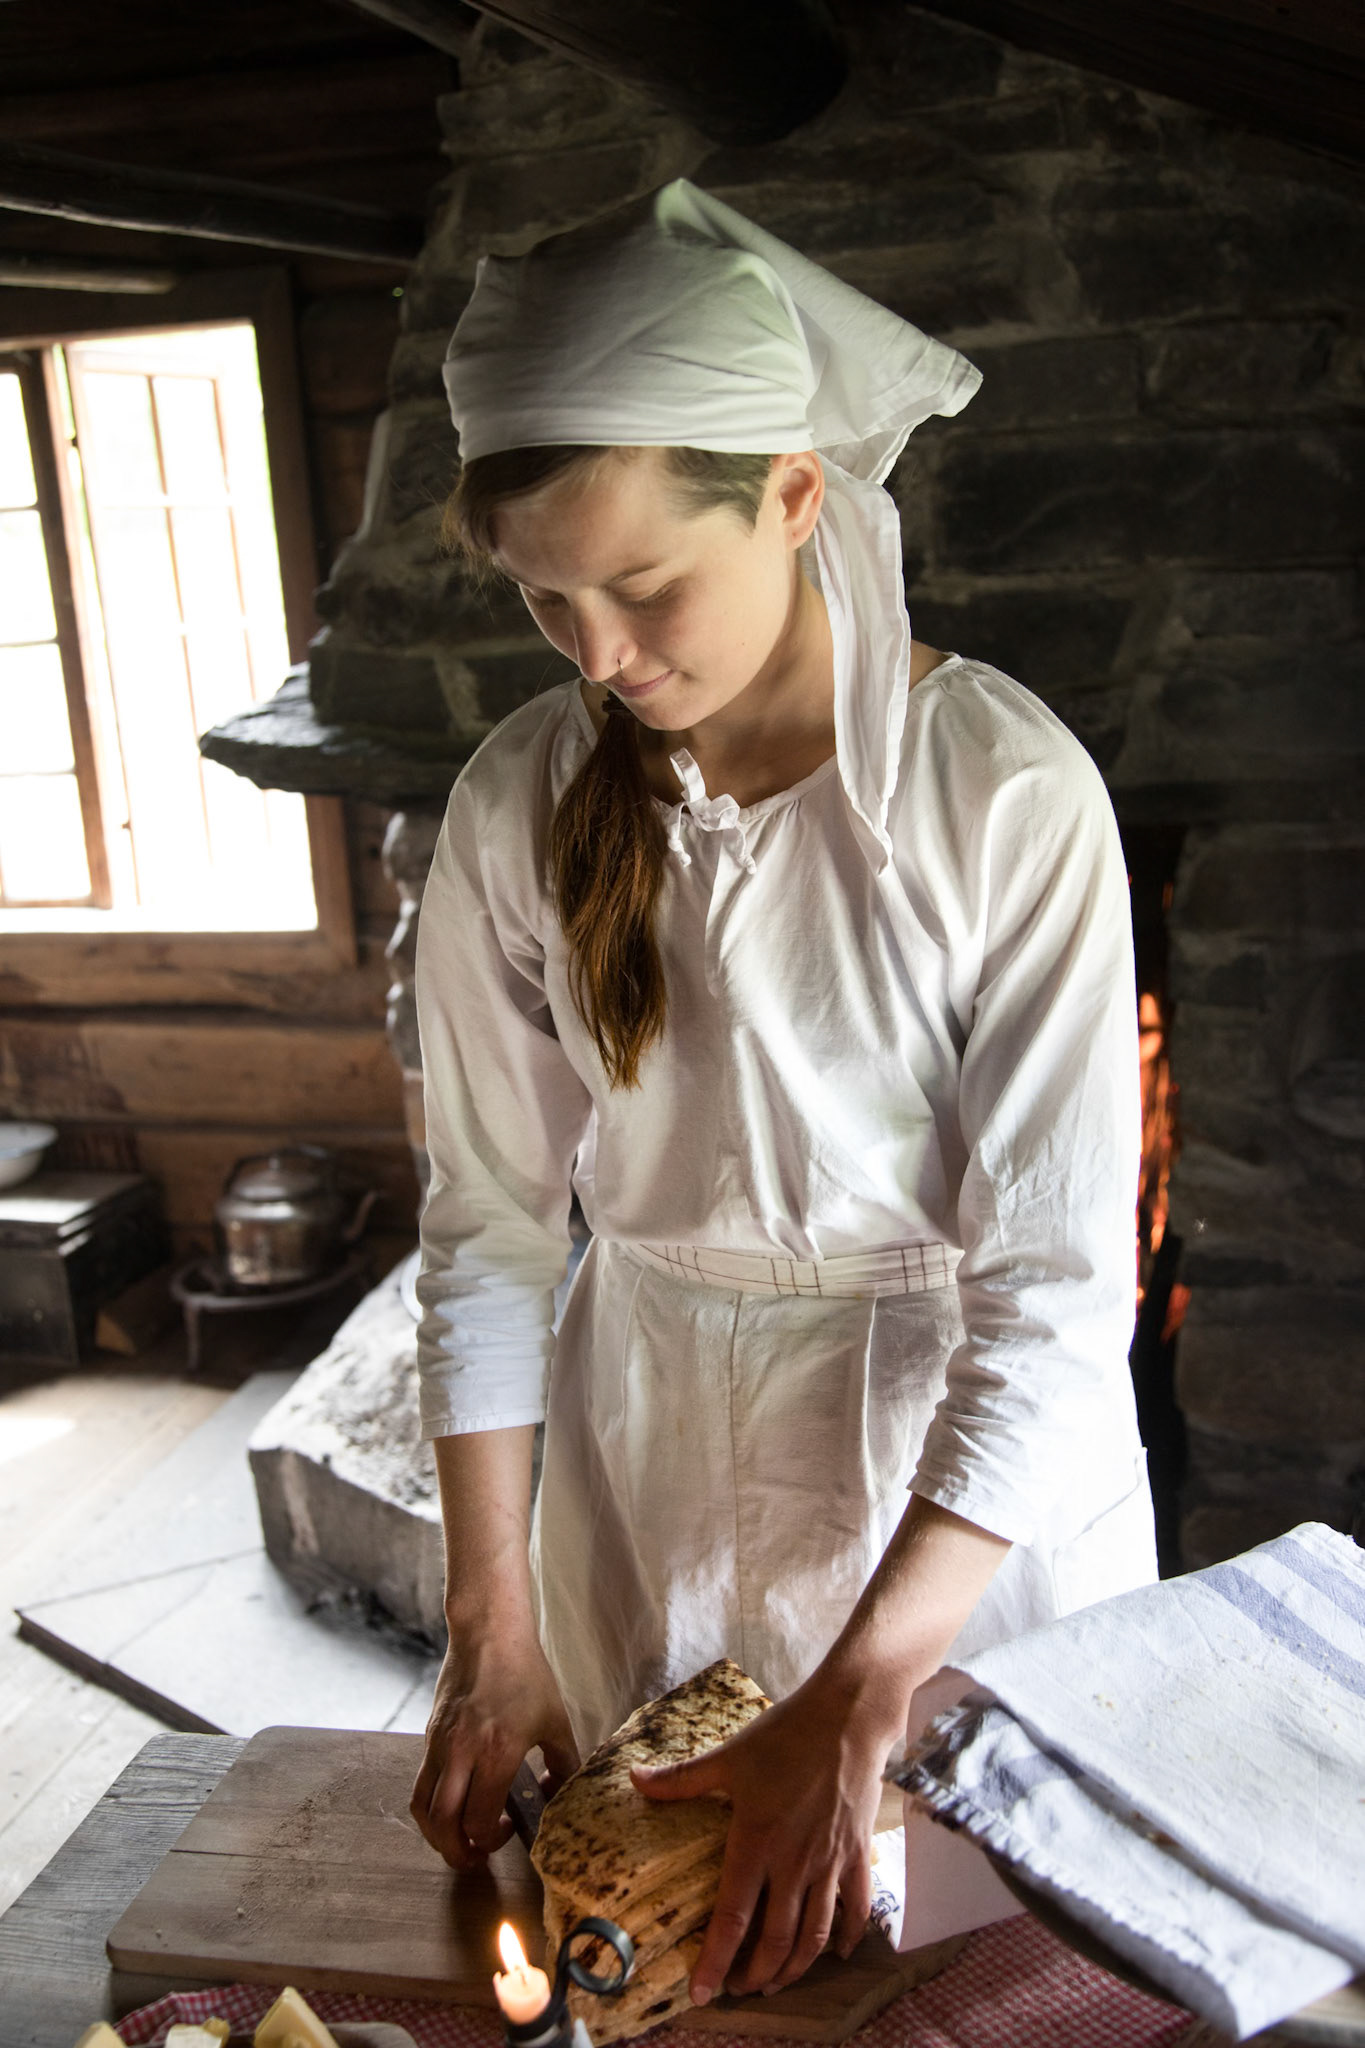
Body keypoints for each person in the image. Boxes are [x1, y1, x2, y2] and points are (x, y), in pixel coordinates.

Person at [408, 180, 1157, 2005]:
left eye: (646, 584)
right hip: (644, 1463)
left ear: (798, 495)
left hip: (950, 1497)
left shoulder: (1002, 794)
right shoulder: (519, 805)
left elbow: (1055, 1291)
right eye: (543, 599)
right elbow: (493, 1233)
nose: (595, 656)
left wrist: (859, 1691)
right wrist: (491, 1622)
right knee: (667, 1972)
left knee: (972, 1983)